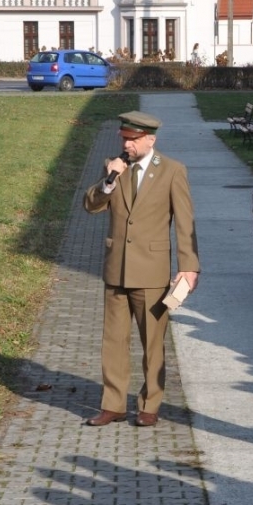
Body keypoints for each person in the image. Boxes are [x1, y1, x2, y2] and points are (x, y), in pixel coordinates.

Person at [83, 110, 200, 426]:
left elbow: (185, 223)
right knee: (113, 342)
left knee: (152, 343)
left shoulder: (172, 171)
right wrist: (109, 182)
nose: (127, 144)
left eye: (132, 140)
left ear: (150, 139)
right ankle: (113, 404)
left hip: (151, 272)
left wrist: (189, 266)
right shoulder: (115, 168)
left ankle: (149, 407)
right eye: (124, 138)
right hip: (116, 269)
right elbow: (90, 205)